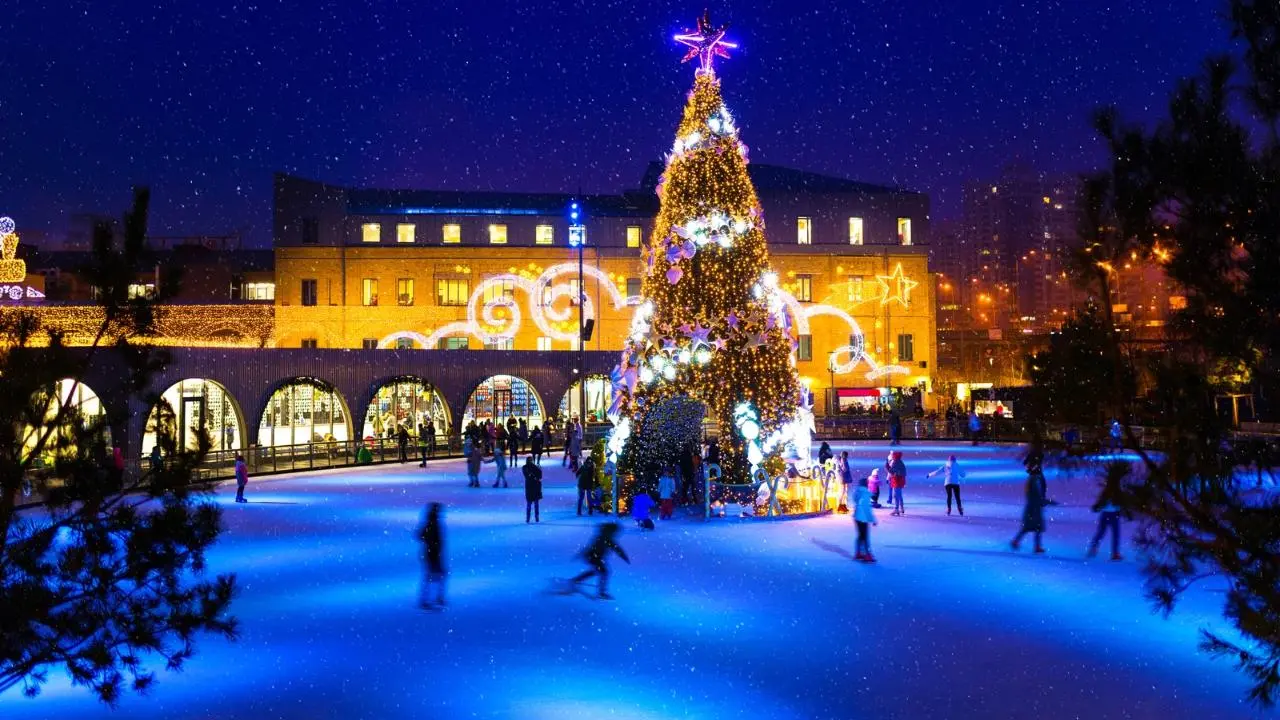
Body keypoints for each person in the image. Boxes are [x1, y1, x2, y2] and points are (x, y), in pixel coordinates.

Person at [568, 522, 630, 600]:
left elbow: (616, 548)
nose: (616, 534)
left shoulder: (603, 536)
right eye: (615, 532)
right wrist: (625, 557)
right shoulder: (606, 538)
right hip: (593, 557)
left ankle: (576, 580)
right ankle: (601, 592)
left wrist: (581, 554)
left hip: (593, 557)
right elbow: (617, 549)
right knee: (604, 572)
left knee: (597, 571)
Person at [1011, 456, 1048, 554]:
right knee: (1034, 527)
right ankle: (1034, 546)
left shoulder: (1033, 480)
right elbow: (1034, 495)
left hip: (1033, 507)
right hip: (1033, 508)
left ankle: (1019, 542)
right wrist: (1043, 501)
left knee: (1031, 527)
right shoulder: (1033, 480)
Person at [1088, 472, 1125, 560]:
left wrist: (1097, 507)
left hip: (1107, 513)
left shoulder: (1108, 490)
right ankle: (1114, 553)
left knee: (1102, 532)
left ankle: (1094, 548)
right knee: (1114, 534)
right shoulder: (1116, 490)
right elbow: (1120, 502)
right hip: (1112, 513)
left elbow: (1101, 501)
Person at [417, 503, 446, 609]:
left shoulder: (432, 522)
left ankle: (433, 598)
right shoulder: (432, 523)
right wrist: (432, 543)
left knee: (435, 574)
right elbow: (420, 535)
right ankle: (429, 599)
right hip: (432, 553)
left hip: (432, 552)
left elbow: (420, 535)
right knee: (434, 575)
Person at [853, 474, 878, 562]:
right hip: (863, 518)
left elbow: (856, 501)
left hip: (856, 517)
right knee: (865, 537)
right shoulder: (866, 494)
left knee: (860, 536)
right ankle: (867, 554)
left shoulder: (858, 492)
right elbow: (867, 509)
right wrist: (873, 520)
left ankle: (858, 552)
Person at [523, 457, 543, 523]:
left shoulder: (526, 467)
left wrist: (534, 476)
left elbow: (538, 476)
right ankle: (534, 517)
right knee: (534, 503)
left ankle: (530, 517)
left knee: (531, 503)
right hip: (534, 487)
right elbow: (539, 476)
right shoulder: (531, 467)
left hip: (531, 487)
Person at [888, 450, 907, 516]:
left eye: (893, 455)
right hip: (900, 481)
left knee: (896, 495)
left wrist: (887, 467)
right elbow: (903, 472)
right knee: (899, 495)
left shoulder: (896, 462)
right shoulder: (900, 462)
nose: (892, 456)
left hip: (897, 481)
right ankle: (901, 508)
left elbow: (891, 471)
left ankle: (896, 509)